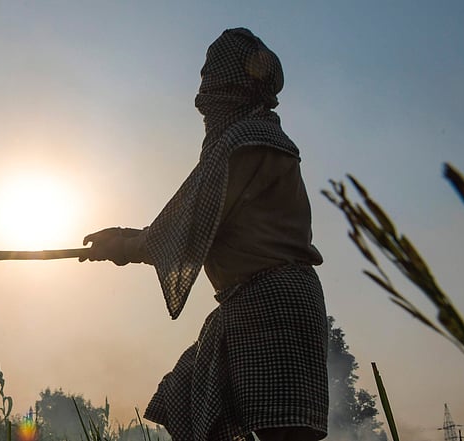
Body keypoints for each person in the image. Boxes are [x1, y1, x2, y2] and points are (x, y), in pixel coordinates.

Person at [81, 28, 328, 441]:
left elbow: (188, 223)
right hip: (246, 306)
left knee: (281, 431)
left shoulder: (247, 142)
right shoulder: (252, 138)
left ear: (227, 86)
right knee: (184, 393)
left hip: (274, 306)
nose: (204, 99)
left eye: (209, 83)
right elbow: (190, 220)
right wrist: (124, 236)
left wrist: (122, 247)